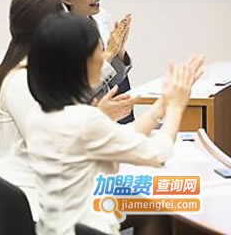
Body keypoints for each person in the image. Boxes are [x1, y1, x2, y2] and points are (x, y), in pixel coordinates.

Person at [25, 13, 203, 235]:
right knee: (169, 203)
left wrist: (161, 106)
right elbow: (158, 154)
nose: (103, 59)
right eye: (99, 51)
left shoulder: (39, 114)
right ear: (78, 64)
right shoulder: (85, 120)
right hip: (89, 226)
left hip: (56, 225)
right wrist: (176, 107)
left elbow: (119, 137)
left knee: (151, 210)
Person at [0, 0, 139, 221]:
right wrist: (99, 117)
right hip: (35, 201)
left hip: (41, 188)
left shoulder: (34, 70)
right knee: (152, 211)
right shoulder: (21, 81)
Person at [54, 0, 134, 123]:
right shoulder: (61, 35)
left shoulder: (102, 18)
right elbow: (79, 93)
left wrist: (119, 51)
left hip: (109, 115)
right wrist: (109, 53)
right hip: (82, 120)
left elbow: (115, 80)